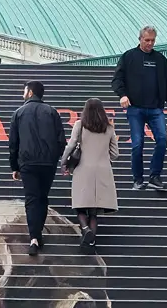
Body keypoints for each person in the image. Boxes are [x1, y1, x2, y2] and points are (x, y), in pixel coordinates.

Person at [111, 25, 167, 193]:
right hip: (135, 108)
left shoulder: (161, 60)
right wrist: (122, 95)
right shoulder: (129, 57)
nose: (149, 43)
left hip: (156, 108)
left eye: (152, 40)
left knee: (162, 140)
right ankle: (138, 179)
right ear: (139, 39)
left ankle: (155, 176)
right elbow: (117, 79)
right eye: (147, 40)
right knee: (137, 144)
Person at [8, 80, 66, 255]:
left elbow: (13, 144)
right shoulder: (52, 112)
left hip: (28, 163)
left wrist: (14, 166)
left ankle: (34, 237)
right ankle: (38, 234)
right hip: (48, 163)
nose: (22, 94)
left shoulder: (18, 113)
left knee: (32, 198)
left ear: (30, 92)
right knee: (42, 197)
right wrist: (54, 158)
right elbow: (61, 140)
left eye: (24, 90)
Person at [60, 98, 119, 248]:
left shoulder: (80, 125)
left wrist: (63, 161)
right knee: (93, 210)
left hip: (83, 169)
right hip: (103, 171)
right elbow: (115, 153)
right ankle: (91, 241)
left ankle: (85, 229)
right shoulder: (109, 128)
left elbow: (71, 144)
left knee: (80, 205)